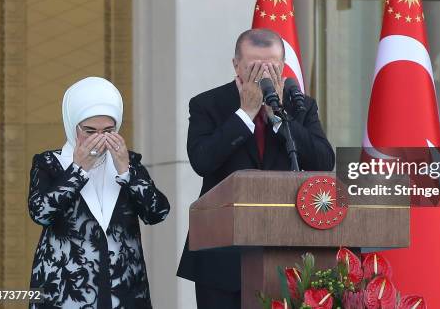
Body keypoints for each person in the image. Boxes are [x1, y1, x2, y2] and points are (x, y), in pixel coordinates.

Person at [176, 28, 335, 308]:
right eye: (253, 66)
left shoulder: (300, 105)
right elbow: (202, 161)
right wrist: (245, 114)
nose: (263, 73)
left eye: (272, 66)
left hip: (286, 251)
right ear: (236, 65)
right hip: (222, 255)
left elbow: (323, 161)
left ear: (283, 67)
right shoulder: (207, 104)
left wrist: (278, 119)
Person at [28, 77, 170, 309]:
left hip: (124, 292)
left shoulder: (128, 162)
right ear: (73, 125)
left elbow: (158, 212)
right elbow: (40, 212)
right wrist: (77, 171)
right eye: (90, 131)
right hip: (63, 293)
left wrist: (126, 171)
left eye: (109, 131)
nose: (99, 139)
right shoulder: (49, 163)